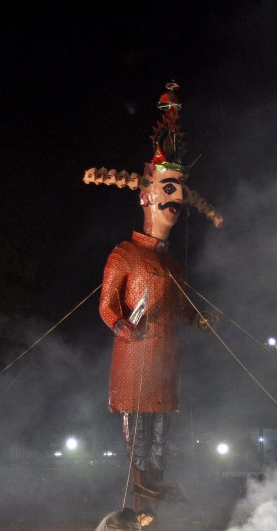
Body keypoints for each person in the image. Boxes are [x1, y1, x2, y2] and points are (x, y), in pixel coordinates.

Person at [97, 82, 216, 509]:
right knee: (138, 426)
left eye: (181, 189)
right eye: (169, 187)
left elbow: (181, 305)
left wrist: (197, 317)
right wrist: (120, 325)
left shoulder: (173, 264)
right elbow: (107, 304)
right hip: (134, 356)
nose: (178, 197)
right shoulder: (124, 254)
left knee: (164, 424)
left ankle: (157, 481)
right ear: (147, 194)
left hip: (166, 357)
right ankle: (137, 483)